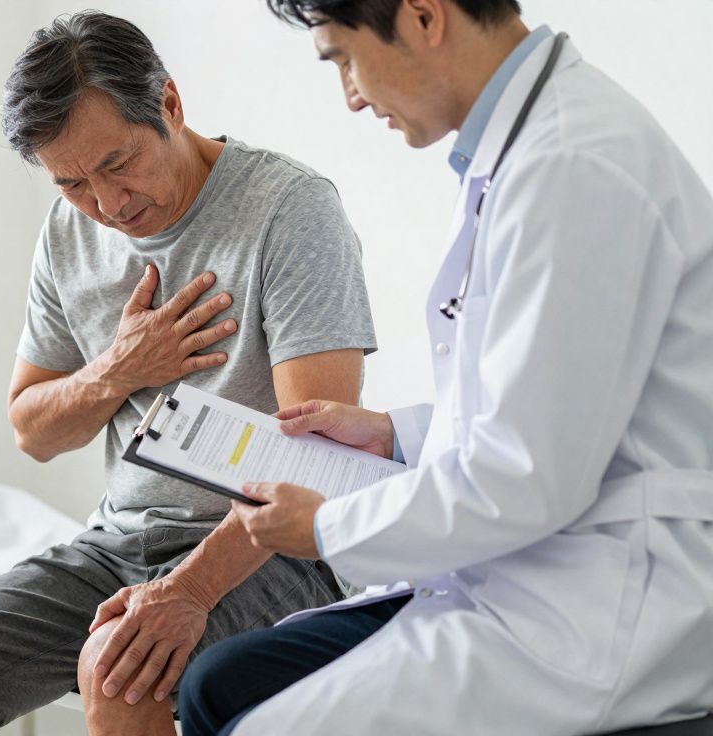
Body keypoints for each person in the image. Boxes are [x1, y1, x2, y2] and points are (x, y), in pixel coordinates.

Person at [176, 1, 713, 734]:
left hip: (601, 606)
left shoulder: (573, 165)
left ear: (424, 15)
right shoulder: (527, 149)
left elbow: (526, 474)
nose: (352, 94)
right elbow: (542, 409)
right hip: (528, 563)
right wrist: (392, 434)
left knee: (253, 722)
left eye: (342, 57)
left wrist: (329, 526)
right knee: (217, 683)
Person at [0, 11, 379, 735]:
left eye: (117, 164)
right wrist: (117, 369)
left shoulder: (290, 210)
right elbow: (33, 430)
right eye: (73, 183)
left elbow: (316, 455)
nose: (107, 205)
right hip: (119, 542)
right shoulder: (68, 232)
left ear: (170, 104)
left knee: (120, 672)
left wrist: (189, 590)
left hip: (273, 551)